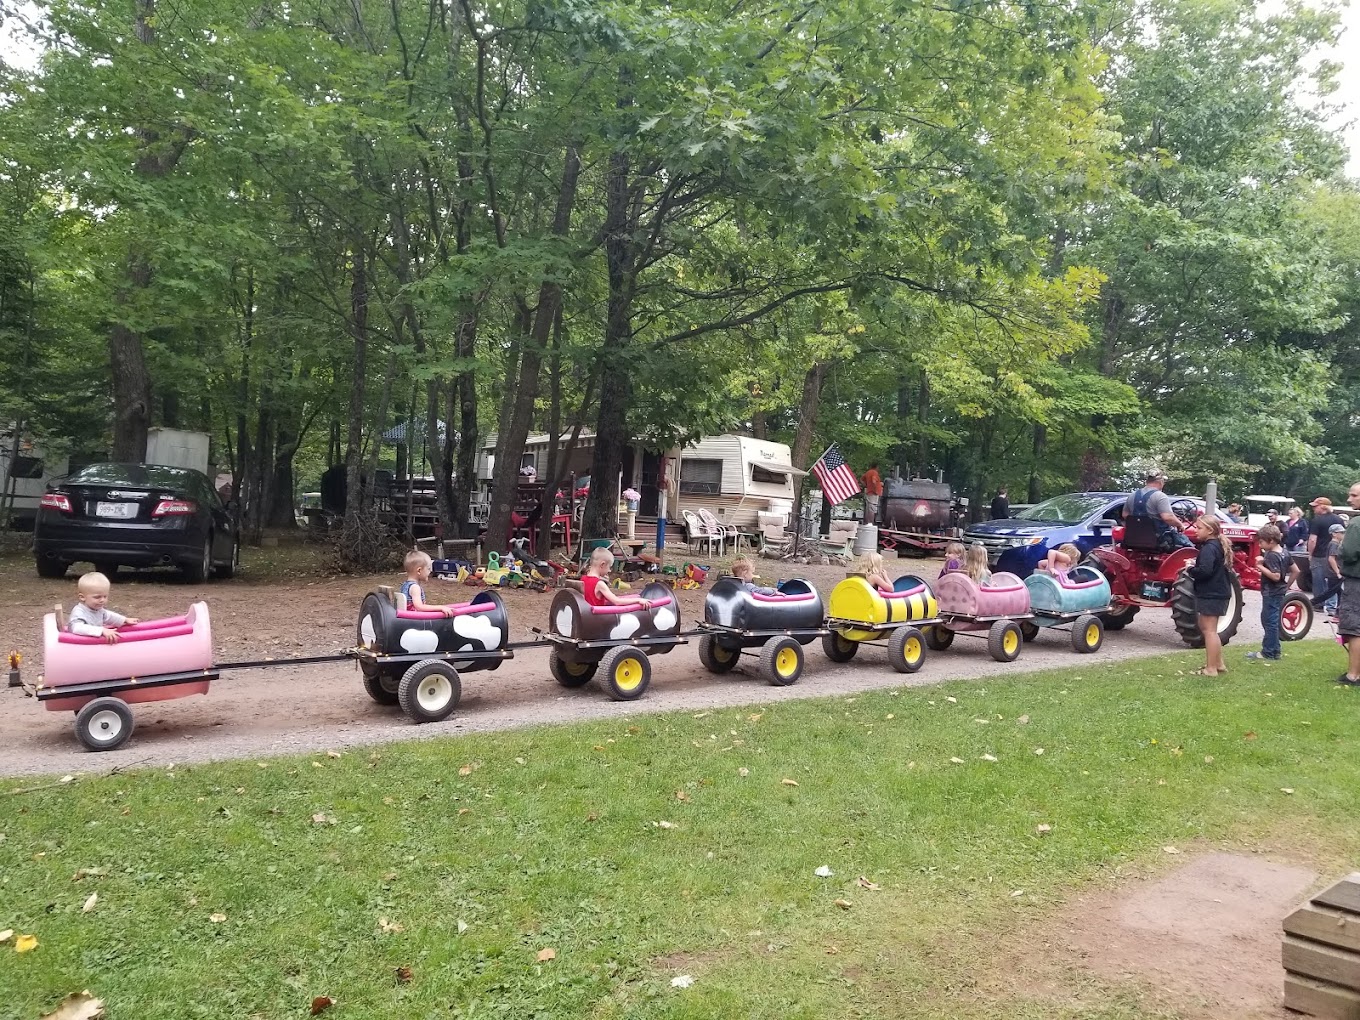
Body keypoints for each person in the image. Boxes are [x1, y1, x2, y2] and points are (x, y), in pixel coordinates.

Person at [1187, 514, 1232, 677]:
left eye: (1199, 528)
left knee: (1210, 631)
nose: (1195, 531)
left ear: (1210, 530)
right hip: (1218, 592)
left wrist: (1190, 569)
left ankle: (1211, 669)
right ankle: (1218, 664)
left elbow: (1205, 570)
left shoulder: (1208, 548)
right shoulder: (1217, 545)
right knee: (1207, 628)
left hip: (1212, 593)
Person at [1246, 524, 1296, 663]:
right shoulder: (1285, 552)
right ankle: (1275, 649)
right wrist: (1286, 586)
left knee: (1270, 622)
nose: (1260, 545)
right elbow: (1296, 570)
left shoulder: (1272, 555)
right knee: (1270, 620)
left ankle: (1268, 652)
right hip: (1278, 592)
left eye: (1261, 542)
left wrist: (1260, 566)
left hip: (1271, 592)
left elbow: (1275, 576)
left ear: (1271, 541)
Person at [1123, 470, 1193, 549]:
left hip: (1134, 538)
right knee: (1188, 546)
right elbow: (1167, 517)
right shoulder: (1160, 496)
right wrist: (1180, 524)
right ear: (1160, 482)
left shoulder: (1132, 495)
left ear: (1147, 481)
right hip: (1159, 539)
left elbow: (1125, 515)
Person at [68, 571, 140, 643]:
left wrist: (124, 620)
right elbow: (76, 628)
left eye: (105, 596)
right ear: (82, 597)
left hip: (92, 644)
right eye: (97, 597)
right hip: (79, 645)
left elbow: (109, 616)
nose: (102, 600)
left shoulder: (98, 610)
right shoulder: (79, 611)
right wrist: (102, 630)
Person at [1335, 482, 1360, 685]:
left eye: (1353, 495)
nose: (1349, 499)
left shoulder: (1356, 523)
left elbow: (1350, 553)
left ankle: (1353, 674)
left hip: (1356, 582)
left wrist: (1341, 549)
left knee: (1354, 628)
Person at [581, 547, 653, 609]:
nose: (609, 570)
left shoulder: (583, 579)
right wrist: (638, 600)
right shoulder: (599, 584)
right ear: (602, 564)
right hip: (597, 619)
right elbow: (617, 601)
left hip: (585, 617)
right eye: (609, 567)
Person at [1306, 497, 1345, 610]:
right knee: (1334, 582)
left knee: (1318, 580)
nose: (1313, 509)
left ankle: (1318, 604)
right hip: (1335, 554)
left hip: (1319, 555)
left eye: (1315, 506)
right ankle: (1336, 606)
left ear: (1322, 506)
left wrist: (1310, 554)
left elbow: (1313, 539)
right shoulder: (1339, 520)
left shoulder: (1317, 520)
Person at [401, 550, 456, 616]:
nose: (430, 571)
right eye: (428, 568)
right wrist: (440, 607)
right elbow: (419, 607)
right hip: (416, 621)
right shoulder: (415, 588)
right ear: (419, 571)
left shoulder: (405, 585)